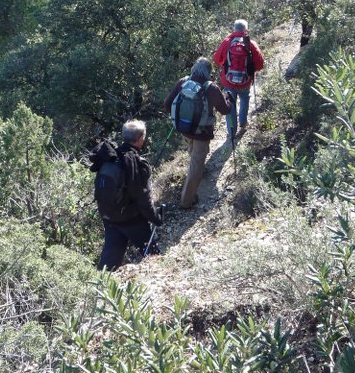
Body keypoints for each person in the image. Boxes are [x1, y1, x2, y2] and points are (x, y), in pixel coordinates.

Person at [89, 119, 162, 271]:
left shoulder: (108, 158)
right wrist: (156, 218)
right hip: (131, 220)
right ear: (141, 138)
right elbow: (144, 199)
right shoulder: (137, 163)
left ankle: (100, 289)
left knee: (109, 264)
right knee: (154, 257)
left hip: (109, 217)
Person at [164, 57, 233, 209]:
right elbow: (225, 110)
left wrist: (181, 117)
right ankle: (186, 201)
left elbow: (167, 103)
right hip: (202, 132)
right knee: (196, 164)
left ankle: (199, 169)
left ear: (194, 68)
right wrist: (229, 100)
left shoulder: (183, 82)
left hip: (184, 129)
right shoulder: (211, 88)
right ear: (208, 72)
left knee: (193, 151)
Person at [212, 19, 265, 138]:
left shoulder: (227, 42)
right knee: (245, 99)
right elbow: (260, 64)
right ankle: (243, 123)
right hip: (245, 81)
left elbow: (216, 59)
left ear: (234, 29)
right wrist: (250, 70)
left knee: (230, 104)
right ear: (246, 30)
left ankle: (231, 132)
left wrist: (226, 65)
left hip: (228, 81)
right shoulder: (251, 44)